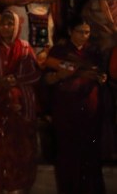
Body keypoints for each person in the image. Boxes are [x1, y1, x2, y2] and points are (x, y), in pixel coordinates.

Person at [0, 10, 40, 194]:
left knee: (21, 153)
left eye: (11, 24)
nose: (6, 28)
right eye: (3, 23)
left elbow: (36, 74)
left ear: (18, 26)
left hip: (21, 111)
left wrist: (16, 80)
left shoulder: (26, 48)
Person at [45, 21, 108, 194]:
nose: (84, 36)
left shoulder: (94, 51)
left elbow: (99, 72)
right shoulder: (60, 51)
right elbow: (49, 74)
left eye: (87, 32)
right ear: (70, 30)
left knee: (90, 154)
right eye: (80, 31)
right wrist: (62, 74)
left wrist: (99, 77)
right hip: (66, 110)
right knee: (68, 154)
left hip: (89, 110)